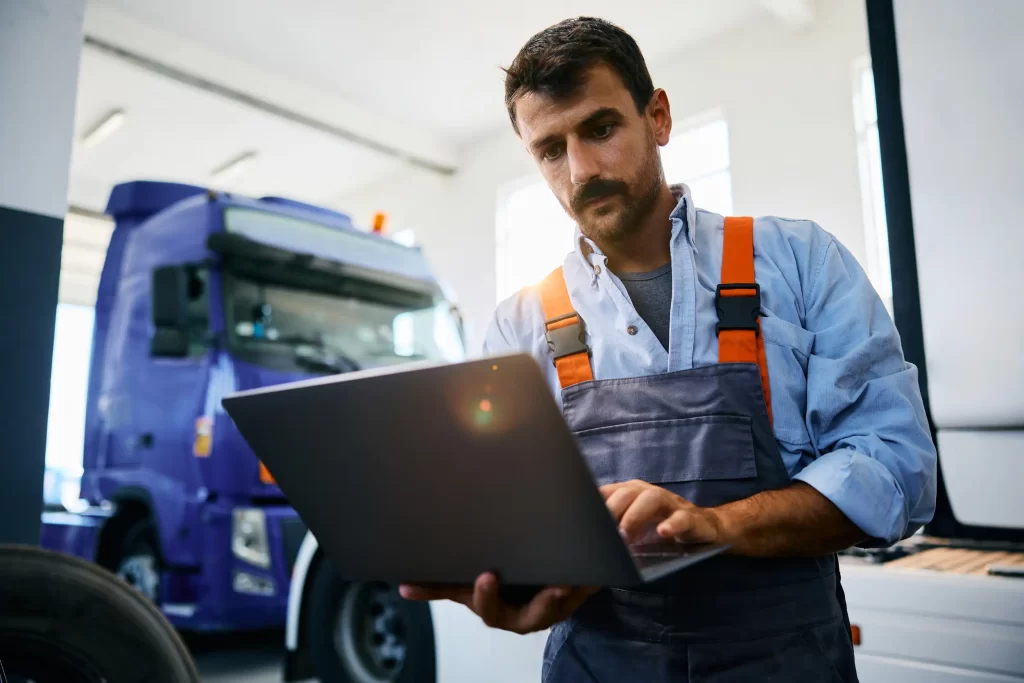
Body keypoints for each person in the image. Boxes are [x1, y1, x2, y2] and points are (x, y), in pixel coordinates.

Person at [401, 16, 937, 682]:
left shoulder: (799, 262)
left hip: (786, 661)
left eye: (600, 128)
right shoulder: (519, 327)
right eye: (550, 148)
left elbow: (896, 468)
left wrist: (713, 524)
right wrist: (515, 586)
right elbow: (506, 515)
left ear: (657, 116)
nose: (581, 169)